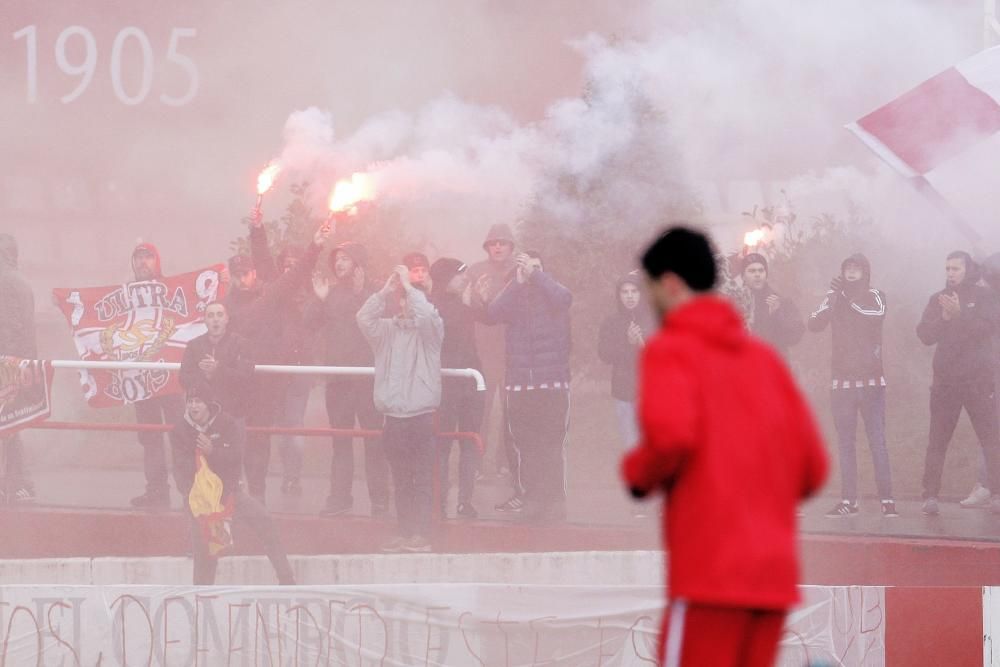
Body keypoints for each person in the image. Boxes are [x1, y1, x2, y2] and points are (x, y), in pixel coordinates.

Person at [622, 226, 828, 667]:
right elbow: (813, 468)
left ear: (672, 284)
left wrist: (637, 473)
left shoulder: (670, 350)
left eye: (651, 288)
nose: (650, 300)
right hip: (771, 581)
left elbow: (672, 437)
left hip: (709, 576)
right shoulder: (765, 359)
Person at [224, 221, 329, 503]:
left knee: (264, 435)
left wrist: (316, 245)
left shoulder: (269, 295)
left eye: (245, 273)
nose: (240, 279)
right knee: (234, 435)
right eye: (235, 274)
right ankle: (235, 490)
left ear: (254, 273)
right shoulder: (224, 306)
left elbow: (292, 275)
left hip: (267, 377)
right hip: (237, 380)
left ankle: (258, 495)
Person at [357, 264, 444, 552]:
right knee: (401, 480)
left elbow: (428, 316)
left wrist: (409, 286)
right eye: (403, 299)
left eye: (411, 299)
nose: (406, 305)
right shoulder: (385, 332)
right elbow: (364, 317)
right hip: (392, 419)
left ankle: (422, 536)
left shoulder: (430, 333)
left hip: (420, 417)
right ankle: (405, 533)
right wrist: (385, 291)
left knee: (421, 480)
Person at [173, 381, 295, 585]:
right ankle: (202, 596)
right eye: (190, 401)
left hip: (230, 492)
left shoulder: (227, 424)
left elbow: (235, 458)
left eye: (198, 402)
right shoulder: (179, 430)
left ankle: (287, 579)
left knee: (265, 521)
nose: (194, 406)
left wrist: (212, 452)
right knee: (205, 550)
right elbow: (181, 470)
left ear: (209, 404)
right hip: (200, 500)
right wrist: (197, 497)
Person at [808, 254, 898, 518]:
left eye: (856, 268)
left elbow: (875, 315)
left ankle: (887, 500)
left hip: (871, 381)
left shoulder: (875, 295)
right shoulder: (836, 296)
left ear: (866, 272)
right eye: (847, 267)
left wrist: (845, 299)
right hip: (841, 381)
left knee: (877, 441)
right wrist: (832, 298)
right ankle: (849, 501)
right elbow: (814, 323)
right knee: (845, 444)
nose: (851, 272)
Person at [487, 251, 572, 522]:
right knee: (526, 445)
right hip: (521, 384)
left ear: (544, 271)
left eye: (536, 267)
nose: (531, 272)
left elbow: (564, 298)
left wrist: (536, 275)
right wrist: (518, 281)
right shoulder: (515, 296)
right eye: (526, 267)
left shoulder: (555, 294)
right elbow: (493, 312)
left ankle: (555, 498)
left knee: (552, 443)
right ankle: (532, 497)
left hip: (553, 383)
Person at [307, 241, 390, 517]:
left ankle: (379, 500)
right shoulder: (329, 293)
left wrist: (359, 293)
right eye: (337, 259)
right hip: (338, 380)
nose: (339, 263)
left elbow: (379, 322)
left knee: (374, 440)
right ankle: (340, 497)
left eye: (345, 258)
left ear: (358, 263)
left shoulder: (375, 292)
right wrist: (318, 300)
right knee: (340, 440)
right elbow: (309, 324)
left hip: (368, 379)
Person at [916, 251, 1000, 515]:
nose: (950, 273)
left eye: (956, 268)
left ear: (968, 270)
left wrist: (961, 315)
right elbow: (924, 335)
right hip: (946, 383)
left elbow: (988, 328)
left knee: (991, 439)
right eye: (948, 268)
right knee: (937, 440)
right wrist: (944, 318)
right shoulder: (937, 299)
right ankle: (930, 496)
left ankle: (997, 493)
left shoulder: (984, 297)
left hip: (977, 381)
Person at [247, 210, 315, 497]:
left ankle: (292, 476)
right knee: (266, 427)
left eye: (293, 266)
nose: (288, 270)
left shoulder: (311, 294)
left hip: (298, 372)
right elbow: (262, 260)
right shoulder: (274, 291)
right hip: (272, 370)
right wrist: (257, 228)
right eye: (284, 265)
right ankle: (264, 483)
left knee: (294, 431)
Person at [128, 242, 184, 509]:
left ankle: (189, 491)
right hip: (141, 379)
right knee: (149, 436)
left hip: (171, 377)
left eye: (148, 257)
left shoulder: (173, 289)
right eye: (138, 258)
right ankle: (157, 491)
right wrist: (69, 304)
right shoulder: (123, 295)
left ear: (158, 261)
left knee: (180, 435)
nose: (143, 262)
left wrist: (218, 281)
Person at [430, 257, 485, 519]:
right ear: (445, 278)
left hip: (470, 383)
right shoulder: (433, 305)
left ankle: (465, 500)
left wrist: (477, 301)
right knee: (442, 444)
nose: (465, 278)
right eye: (459, 274)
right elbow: (446, 332)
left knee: (468, 443)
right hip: (446, 386)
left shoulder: (465, 304)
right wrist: (465, 305)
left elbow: (487, 318)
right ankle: (440, 498)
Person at [598, 270, 655, 518]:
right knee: (632, 447)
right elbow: (605, 354)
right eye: (625, 292)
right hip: (625, 393)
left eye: (634, 292)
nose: (629, 297)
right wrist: (625, 342)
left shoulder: (653, 320)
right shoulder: (612, 323)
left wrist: (641, 343)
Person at [467, 224, 518, 485]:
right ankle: (474, 463)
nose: (497, 247)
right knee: (481, 410)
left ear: (511, 246)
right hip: (483, 351)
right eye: (493, 243)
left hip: (511, 351)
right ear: (487, 247)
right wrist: (478, 296)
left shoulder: (517, 272)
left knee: (512, 409)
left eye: (503, 242)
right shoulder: (475, 272)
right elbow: (465, 307)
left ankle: (506, 464)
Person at [0, 234, 37, 504]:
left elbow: (14, 328)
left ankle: (18, 483)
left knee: (8, 426)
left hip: (7, 363)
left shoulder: (10, 283)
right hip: (16, 363)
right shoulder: (22, 283)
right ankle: (19, 483)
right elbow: (25, 330)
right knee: (10, 425)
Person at [179, 302, 255, 420]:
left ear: (227, 319)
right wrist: (204, 374)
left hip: (233, 413)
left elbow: (246, 377)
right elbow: (183, 378)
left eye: (219, 315)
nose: (215, 319)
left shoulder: (241, 344)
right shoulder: (194, 345)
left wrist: (218, 370)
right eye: (211, 315)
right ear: (205, 320)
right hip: (202, 416)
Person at [740, 252, 805, 356]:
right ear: (743, 276)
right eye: (752, 271)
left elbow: (795, 335)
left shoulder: (782, 301)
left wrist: (777, 316)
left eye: (761, 270)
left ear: (766, 275)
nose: (757, 274)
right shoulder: (733, 303)